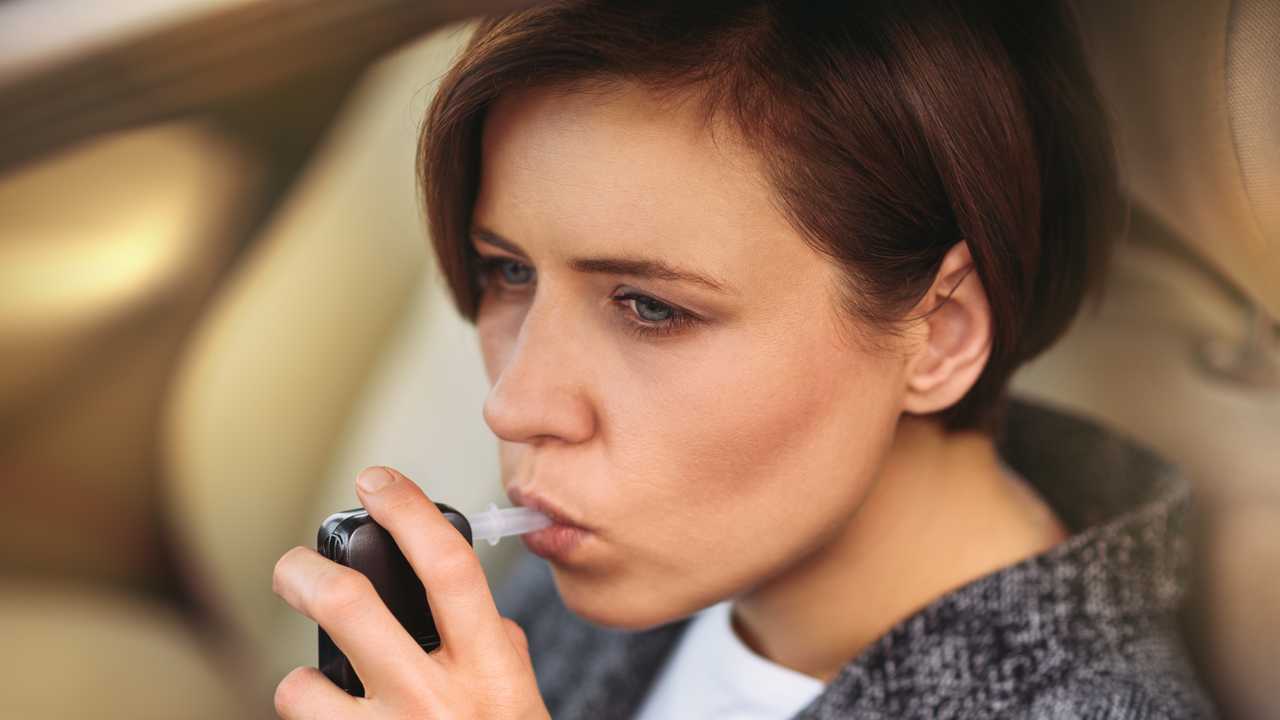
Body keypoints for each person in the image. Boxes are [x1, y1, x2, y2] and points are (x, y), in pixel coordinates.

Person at [270, 1, 1218, 718]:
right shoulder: (672, 541)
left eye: (650, 306)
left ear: (943, 333)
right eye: (507, 271)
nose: (515, 404)